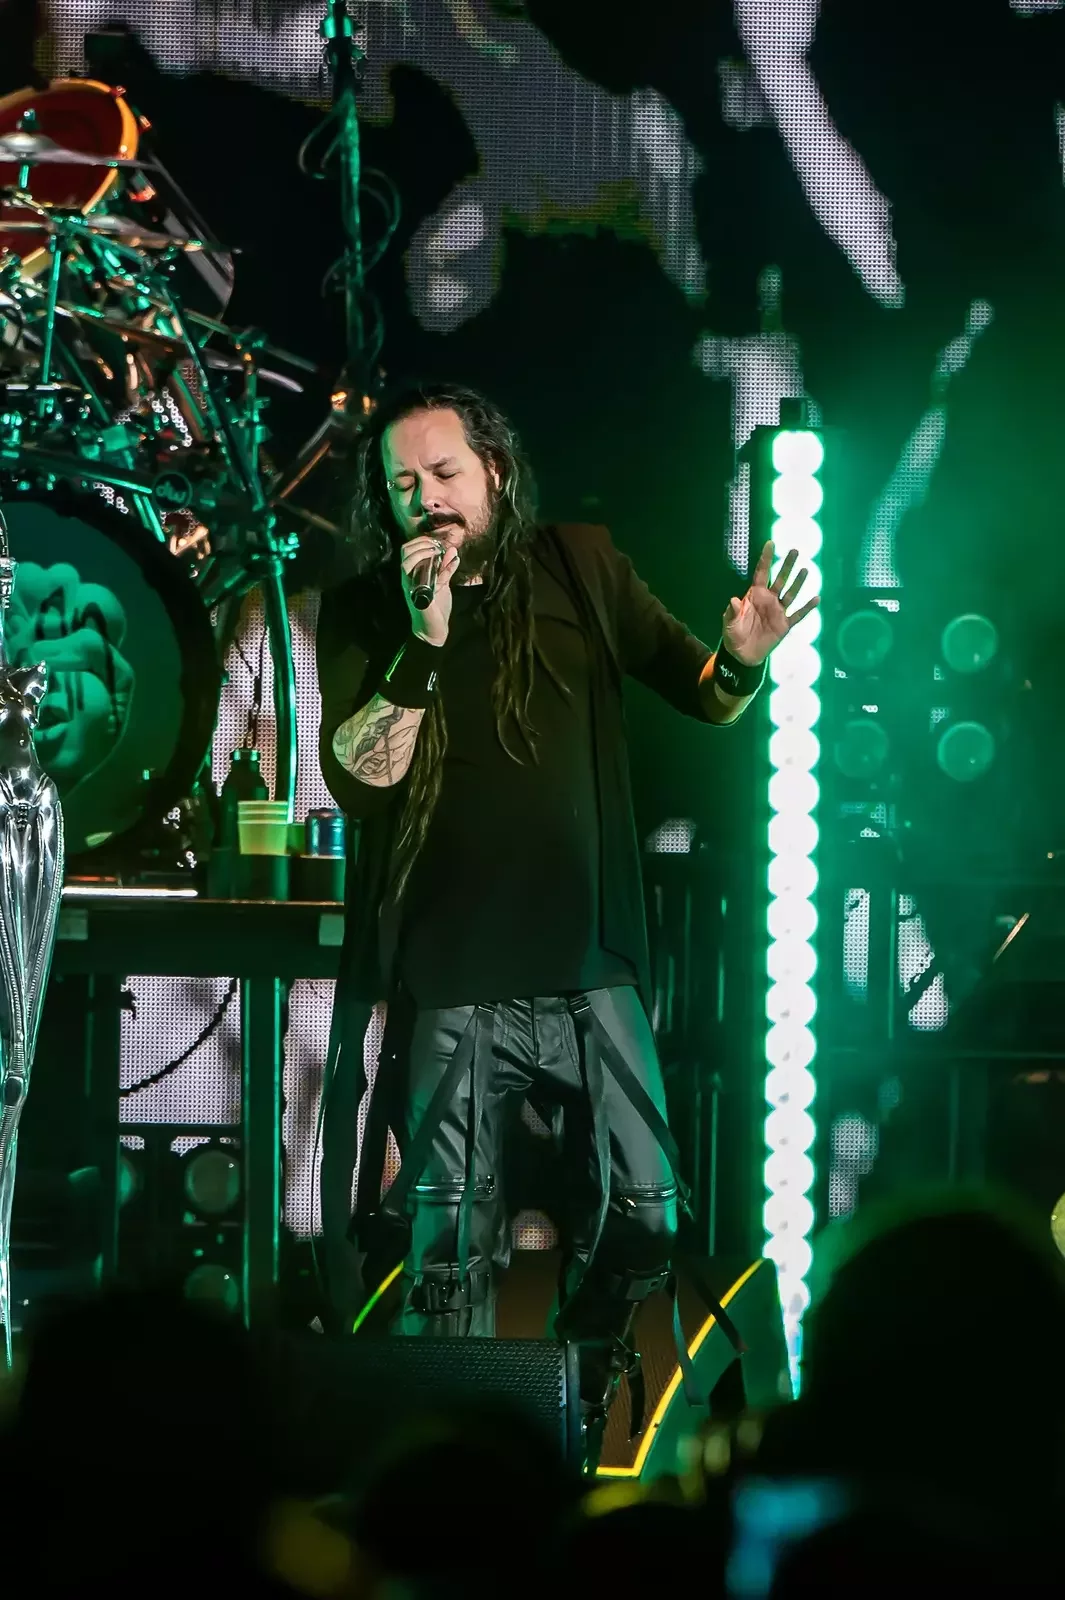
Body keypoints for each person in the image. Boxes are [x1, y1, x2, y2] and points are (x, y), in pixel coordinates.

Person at [315, 382, 817, 1460]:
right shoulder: (368, 608)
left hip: (591, 962)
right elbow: (360, 777)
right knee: (448, 1250)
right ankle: (448, 1466)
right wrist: (423, 640)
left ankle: (580, 1376)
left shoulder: (580, 565)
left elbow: (703, 694)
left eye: (444, 473)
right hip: (454, 974)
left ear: (494, 471)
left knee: (649, 1210)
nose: (425, 500)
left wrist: (742, 656)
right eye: (402, 485)